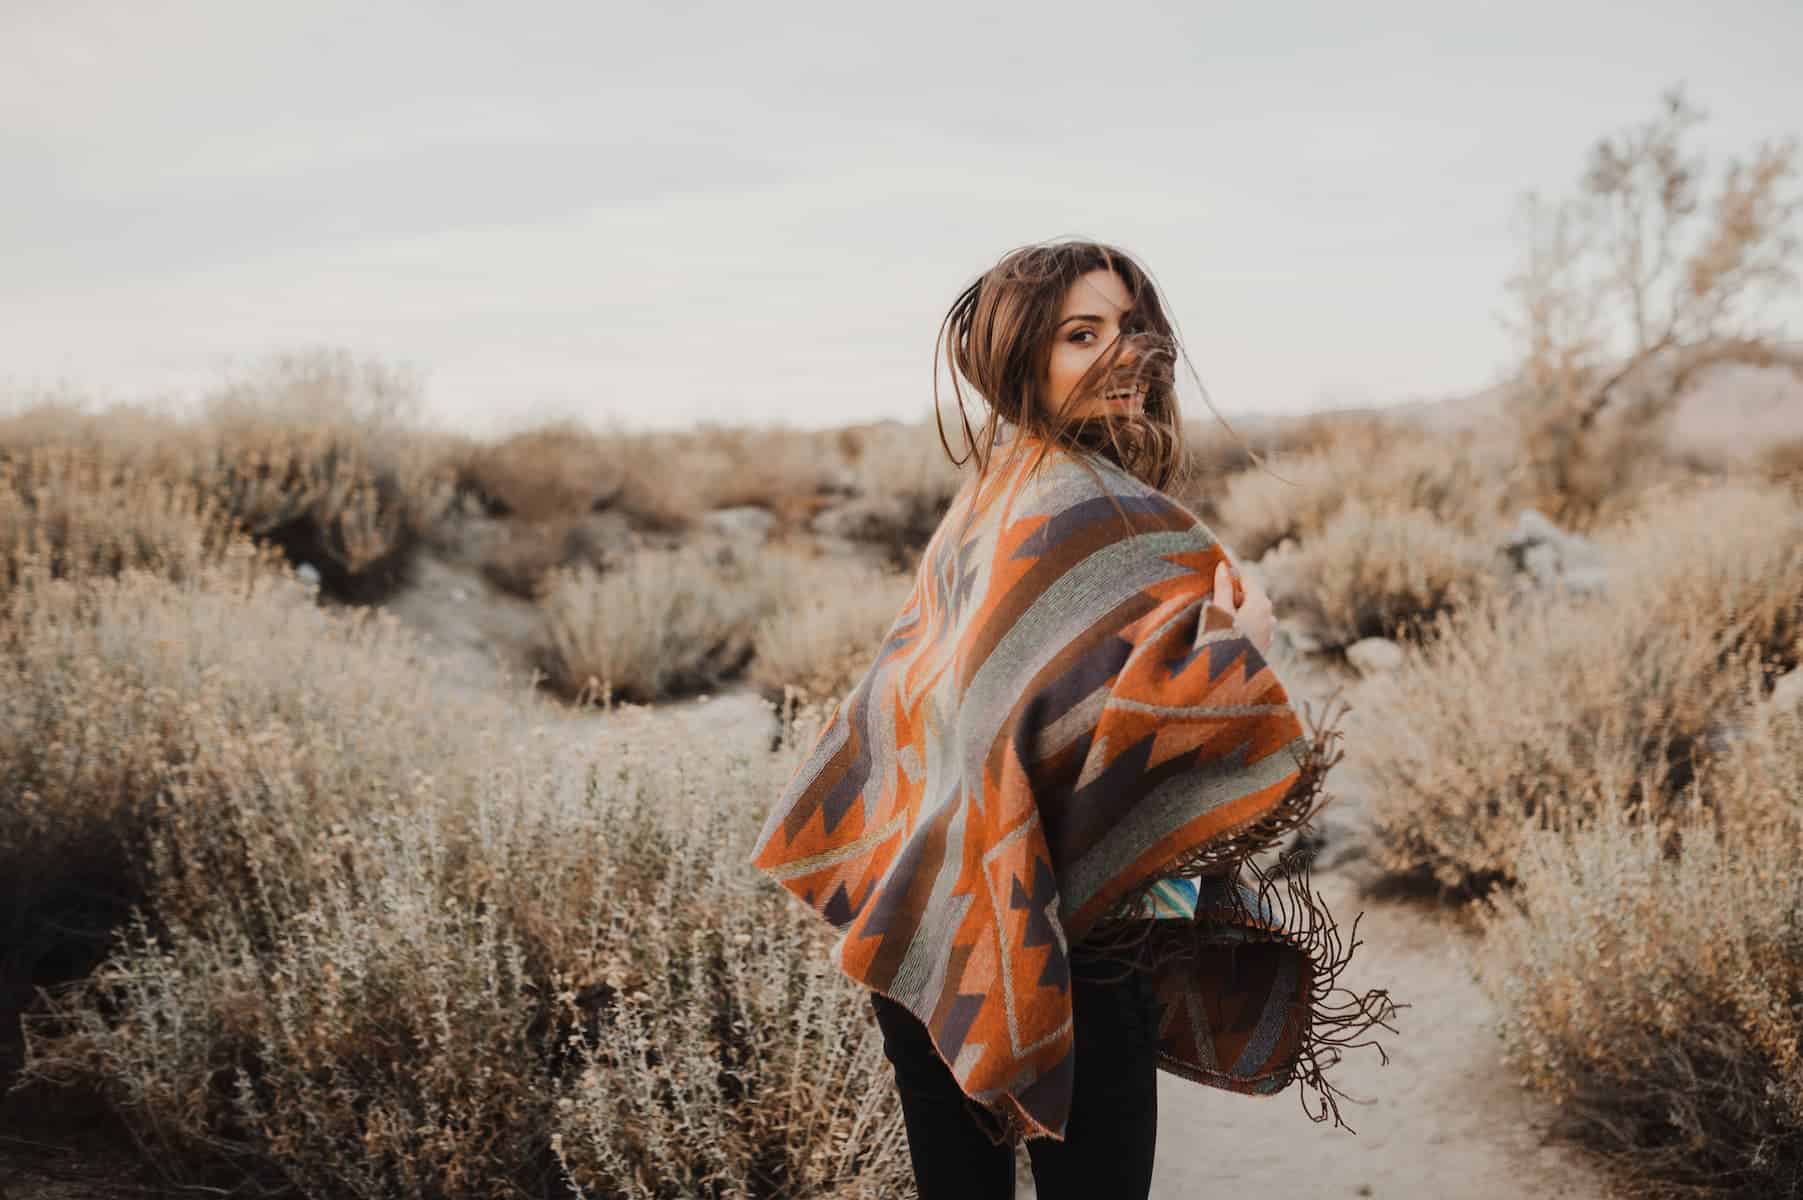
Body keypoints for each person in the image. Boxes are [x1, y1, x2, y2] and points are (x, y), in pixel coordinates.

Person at [751, 240, 1394, 1200]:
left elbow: (980, 722)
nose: (1125, 352)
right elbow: (1117, 738)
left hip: (935, 921)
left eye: (1132, 326)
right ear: (1019, 356)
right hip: (1070, 944)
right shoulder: (1091, 517)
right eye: (1081, 334)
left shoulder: (997, 494)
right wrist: (1242, 646)